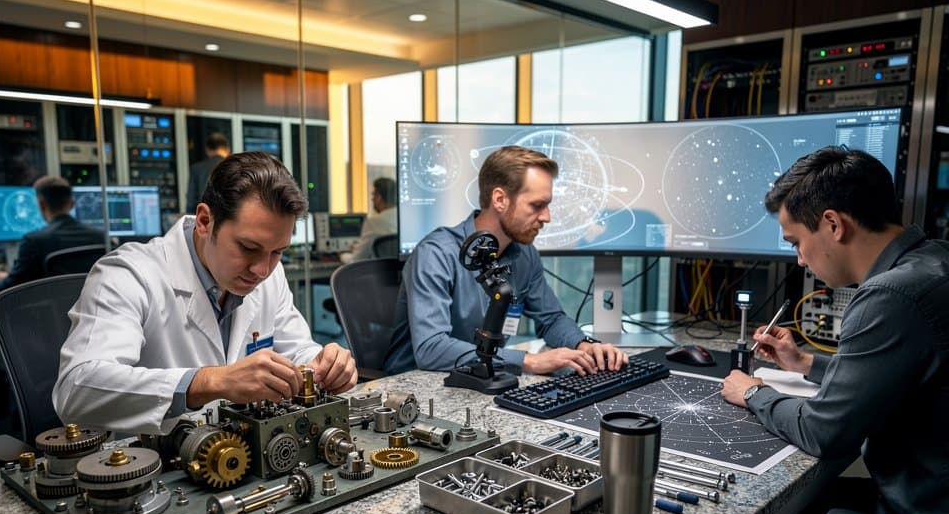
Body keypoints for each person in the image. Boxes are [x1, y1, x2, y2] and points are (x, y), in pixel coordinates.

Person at [706, 146, 949, 514]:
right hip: (929, 510)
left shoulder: (890, 295)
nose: (798, 261)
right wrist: (808, 364)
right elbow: (899, 374)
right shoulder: (932, 264)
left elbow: (824, 431)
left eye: (796, 242)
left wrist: (755, 392)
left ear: (834, 225)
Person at [54, 151, 357, 435]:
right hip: (151, 465)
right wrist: (211, 381)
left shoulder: (269, 274)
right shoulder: (128, 275)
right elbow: (77, 390)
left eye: (277, 252)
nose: (262, 269)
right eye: (248, 248)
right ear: (204, 221)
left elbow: (296, 349)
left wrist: (323, 363)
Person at [384, 145, 628, 376]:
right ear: (500, 199)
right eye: (537, 205)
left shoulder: (524, 253)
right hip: (417, 389)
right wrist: (529, 361)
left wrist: (583, 344)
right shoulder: (436, 253)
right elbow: (431, 349)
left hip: (483, 378)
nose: (547, 217)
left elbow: (551, 318)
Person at [0, 175, 104, 290]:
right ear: (72, 204)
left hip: (55, 307)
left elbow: (12, 286)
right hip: (91, 306)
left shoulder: (34, 241)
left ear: (41, 205)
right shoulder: (100, 237)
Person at [339, 177, 398, 263]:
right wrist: (358, 248)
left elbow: (355, 260)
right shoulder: (403, 219)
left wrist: (341, 255)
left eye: (373, 194)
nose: (372, 199)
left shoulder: (374, 222)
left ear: (379, 197)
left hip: (380, 273)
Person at [185, 132, 231, 214]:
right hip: (228, 220)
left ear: (207, 150)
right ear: (227, 149)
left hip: (205, 219)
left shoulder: (196, 169)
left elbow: (191, 203)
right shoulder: (235, 166)